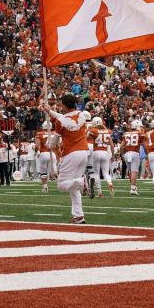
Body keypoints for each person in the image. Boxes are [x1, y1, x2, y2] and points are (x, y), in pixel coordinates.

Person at [42, 94, 89, 224]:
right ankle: (79, 216)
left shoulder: (60, 121)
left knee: (62, 185)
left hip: (71, 154)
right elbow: (66, 119)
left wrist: (48, 144)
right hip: (84, 152)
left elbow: (54, 142)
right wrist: (50, 111)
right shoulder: (81, 115)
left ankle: (82, 181)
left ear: (64, 105)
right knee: (72, 188)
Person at [88, 116, 114, 198]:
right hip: (105, 152)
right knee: (106, 173)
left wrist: (88, 129)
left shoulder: (93, 130)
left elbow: (86, 138)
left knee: (96, 173)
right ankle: (109, 183)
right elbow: (112, 145)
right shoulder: (108, 131)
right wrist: (112, 155)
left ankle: (99, 192)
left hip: (96, 152)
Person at [120, 120, 146, 196]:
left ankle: (133, 187)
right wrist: (147, 153)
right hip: (135, 153)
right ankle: (133, 189)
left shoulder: (126, 134)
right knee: (134, 171)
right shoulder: (140, 133)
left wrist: (122, 155)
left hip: (127, 153)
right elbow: (144, 145)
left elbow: (121, 146)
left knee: (131, 172)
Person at [35, 120, 54, 193]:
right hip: (53, 154)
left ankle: (45, 186)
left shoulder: (40, 134)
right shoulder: (54, 133)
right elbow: (59, 146)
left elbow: (37, 145)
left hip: (44, 153)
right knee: (54, 171)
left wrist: (37, 151)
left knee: (43, 171)